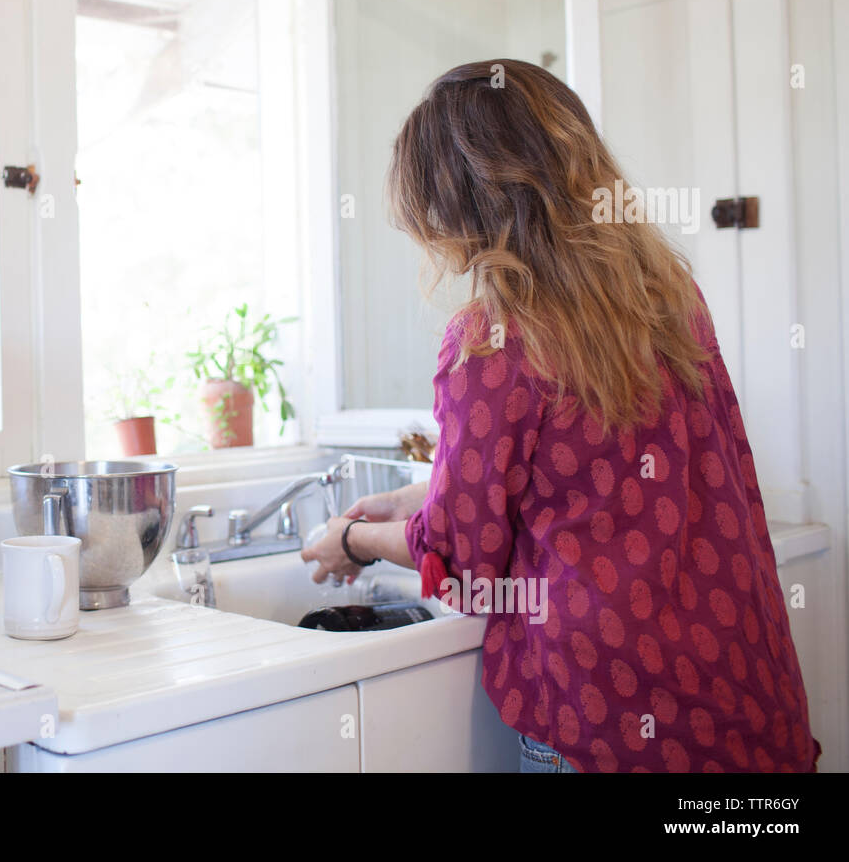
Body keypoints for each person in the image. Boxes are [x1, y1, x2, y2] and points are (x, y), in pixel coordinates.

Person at [301, 59, 820, 773]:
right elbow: (589, 475)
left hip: (602, 714)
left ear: (460, 204)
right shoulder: (667, 296)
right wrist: (412, 497)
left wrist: (352, 540)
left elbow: (459, 557)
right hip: (738, 694)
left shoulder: (492, 341)